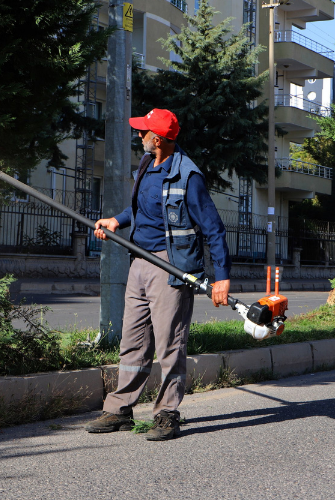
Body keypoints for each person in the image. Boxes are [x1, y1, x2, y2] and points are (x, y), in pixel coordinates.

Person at [84, 108, 231, 441]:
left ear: (159, 138)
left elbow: (215, 229)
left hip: (171, 266)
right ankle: (119, 408)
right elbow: (142, 208)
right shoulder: (147, 164)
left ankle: (167, 413)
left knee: (169, 344)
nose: (139, 135)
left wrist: (221, 278)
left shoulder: (188, 176)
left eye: (143, 131)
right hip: (139, 260)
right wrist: (118, 221)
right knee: (132, 341)